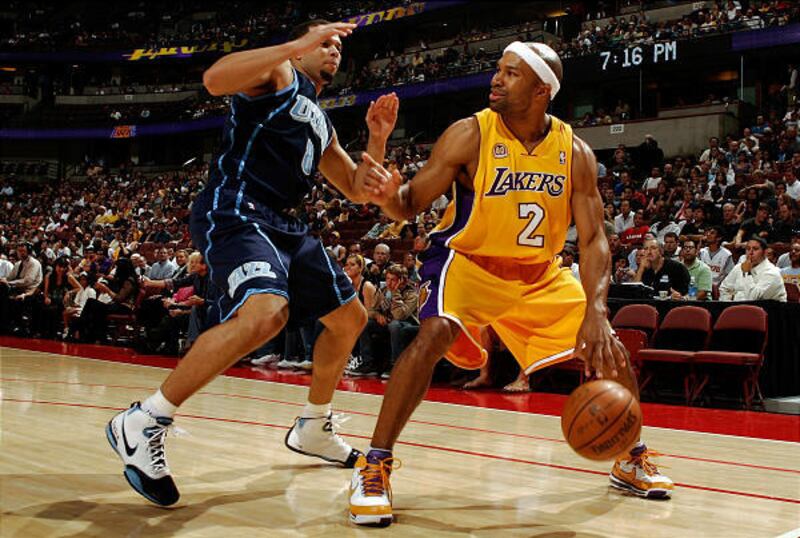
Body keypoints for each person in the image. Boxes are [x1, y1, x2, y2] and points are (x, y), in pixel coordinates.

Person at [347, 41, 673, 527]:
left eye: (511, 73)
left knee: (611, 350)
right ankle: (374, 464)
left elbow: (594, 240)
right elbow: (409, 203)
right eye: (499, 70)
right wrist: (386, 190)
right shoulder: (469, 134)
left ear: (541, 90)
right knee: (433, 334)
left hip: (539, 275)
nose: (496, 79)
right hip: (471, 264)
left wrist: (596, 309)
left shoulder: (575, 153)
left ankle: (629, 456)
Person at [106, 19, 400, 506]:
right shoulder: (280, 74)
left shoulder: (320, 121)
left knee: (350, 318)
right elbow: (215, 80)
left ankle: (313, 426)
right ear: (302, 50)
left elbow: (356, 189)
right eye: (323, 44)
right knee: (265, 313)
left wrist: (378, 138)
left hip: (285, 225)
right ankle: (144, 419)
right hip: (237, 208)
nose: (332, 51)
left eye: (335, 48)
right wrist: (294, 44)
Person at [719, 237, 787, 301]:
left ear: (765, 252)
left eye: (755, 249)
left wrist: (747, 273)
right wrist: (729, 301)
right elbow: (723, 288)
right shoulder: (739, 267)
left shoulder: (772, 272)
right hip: (737, 309)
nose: (750, 253)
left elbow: (752, 299)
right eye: (748, 249)